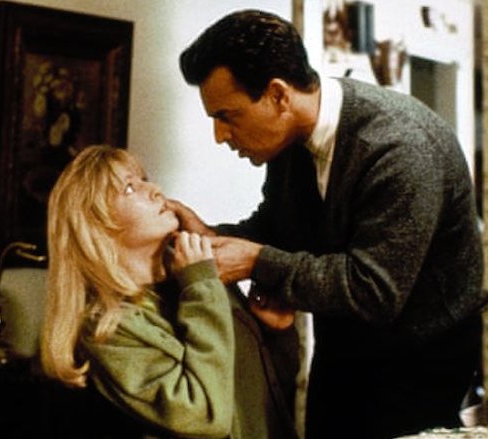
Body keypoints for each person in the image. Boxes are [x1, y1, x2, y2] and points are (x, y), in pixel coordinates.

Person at [172, 9, 488, 439]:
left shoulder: (399, 148)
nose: (220, 135)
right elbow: (280, 227)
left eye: (227, 116)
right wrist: (213, 237)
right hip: (344, 346)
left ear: (278, 95)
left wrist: (256, 262)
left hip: (421, 360)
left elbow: (374, 290)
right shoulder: (290, 139)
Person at [40, 145, 299, 439]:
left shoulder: (193, 277)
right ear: (97, 228)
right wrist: (201, 285)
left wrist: (277, 335)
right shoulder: (109, 328)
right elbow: (206, 418)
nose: (154, 190)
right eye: (129, 188)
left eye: (144, 179)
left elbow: (265, 395)